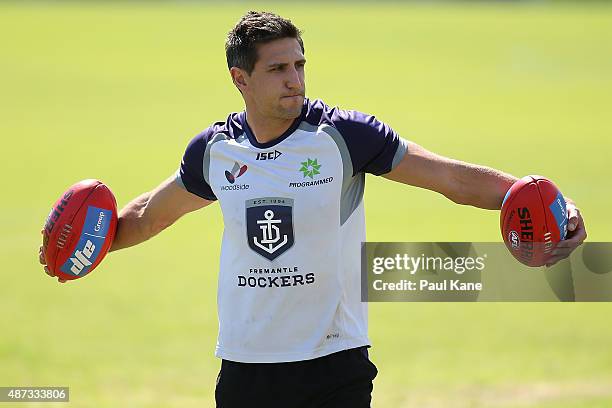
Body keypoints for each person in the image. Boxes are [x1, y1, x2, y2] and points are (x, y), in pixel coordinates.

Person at [38, 11, 587, 408]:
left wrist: (548, 204)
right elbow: (147, 216)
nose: (295, 78)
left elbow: (450, 178)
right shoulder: (214, 151)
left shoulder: (345, 136)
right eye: (278, 69)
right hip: (246, 368)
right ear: (241, 78)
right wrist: (83, 246)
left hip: (334, 366)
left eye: (300, 64)